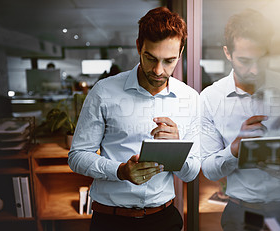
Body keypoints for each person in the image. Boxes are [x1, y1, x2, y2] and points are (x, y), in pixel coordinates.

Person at [68, 7, 200, 231]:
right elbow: (77, 156)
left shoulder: (191, 98)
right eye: (151, 58)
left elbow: (191, 173)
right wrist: (120, 171)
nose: (158, 70)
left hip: (164, 218)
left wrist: (177, 147)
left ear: (181, 52)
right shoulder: (103, 91)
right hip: (111, 220)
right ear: (139, 46)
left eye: (169, 61)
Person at [200, 9, 280, 231]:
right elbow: (210, 170)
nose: (254, 70)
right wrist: (234, 150)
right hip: (242, 212)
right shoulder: (209, 99)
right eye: (244, 60)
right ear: (227, 52)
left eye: (261, 60)